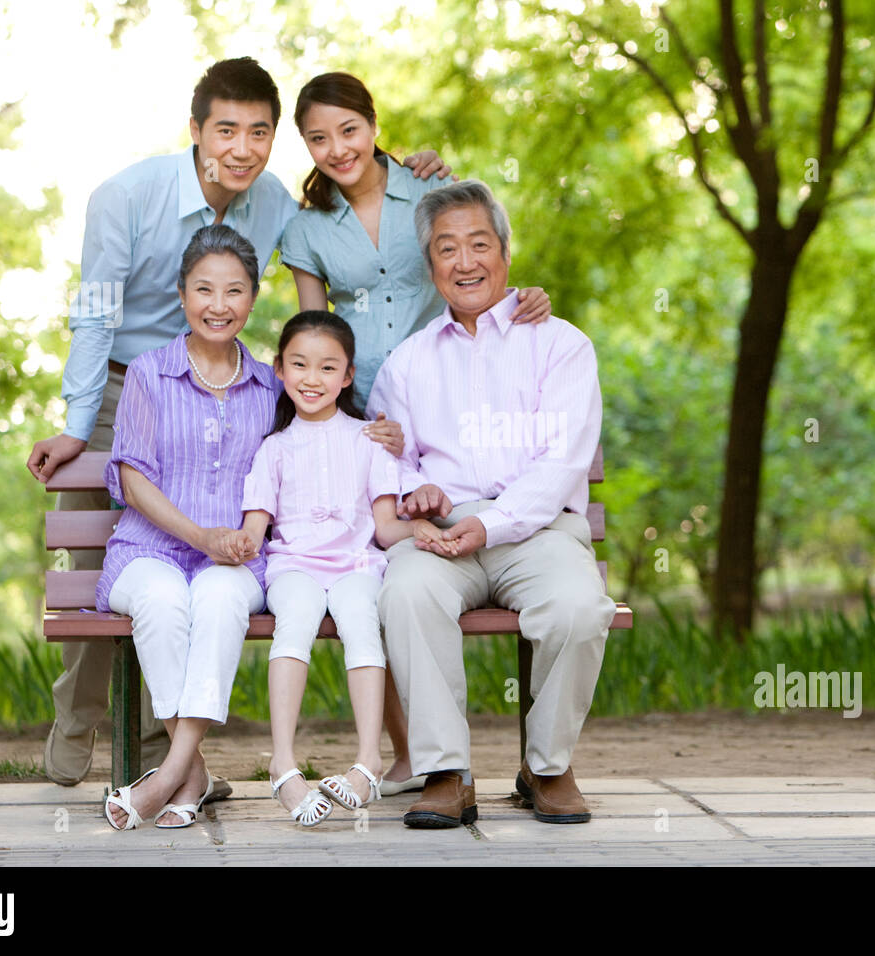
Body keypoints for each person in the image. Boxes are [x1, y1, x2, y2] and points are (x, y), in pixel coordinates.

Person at [24, 57, 449, 789]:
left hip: (227, 386)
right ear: (195, 131)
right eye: (226, 130)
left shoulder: (273, 200)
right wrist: (75, 421)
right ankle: (80, 713)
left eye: (260, 132)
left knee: (207, 567)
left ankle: (164, 752)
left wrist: (407, 167)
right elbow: (94, 313)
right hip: (127, 386)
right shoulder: (124, 199)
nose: (243, 148)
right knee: (101, 556)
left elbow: (344, 215)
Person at [280, 71, 552, 793]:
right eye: (317, 138)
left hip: (444, 404)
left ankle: (459, 758)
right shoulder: (306, 229)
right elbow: (315, 329)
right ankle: (409, 755)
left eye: (348, 129)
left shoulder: (429, 190)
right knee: (379, 574)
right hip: (366, 419)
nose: (336, 148)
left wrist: (529, 297)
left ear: (373, 123)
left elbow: (481, 263)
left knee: (417, 569)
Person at [368, 180, 617, 828]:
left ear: (505, 254)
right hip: (441, 536)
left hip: (536, 530)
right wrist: (410, 488)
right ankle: (446, 772)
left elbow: (562, 461)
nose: (465, 261)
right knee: (406, 593)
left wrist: (491, 523)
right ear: (431, 269)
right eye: (447, 249)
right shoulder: (406, 362)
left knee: (577, 605)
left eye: (479, 243)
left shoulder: (561, 343)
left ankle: (547, 767)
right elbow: (387, 452)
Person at [236, 311, 453, 826]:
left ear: (348, 375)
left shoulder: (368, 440)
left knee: (361, 621)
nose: (313, 379)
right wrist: (226, 544)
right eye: (300, 365)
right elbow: (254, 529)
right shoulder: (274, 448)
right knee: (297, 619)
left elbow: (384, 527)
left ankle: (369, 762)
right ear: (280, 370)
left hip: (356, 564)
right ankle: (283, 762)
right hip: (293, 567)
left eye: (328, 368)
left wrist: (423, 531)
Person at [101, 224, 277, 830]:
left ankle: (174, 771)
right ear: (182, 295)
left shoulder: (271, 386)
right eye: (204, 290)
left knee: (221, 598)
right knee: (162, 598)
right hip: (147, 549)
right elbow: (131, 478)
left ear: (252, 298)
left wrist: (377, 432)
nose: (218, 305)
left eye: (234, 291)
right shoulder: (149, 374)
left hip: (235, 559)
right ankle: (190, 772)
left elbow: (319, 436)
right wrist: (200, 536)